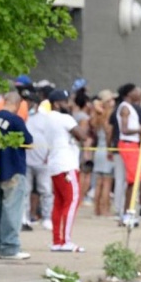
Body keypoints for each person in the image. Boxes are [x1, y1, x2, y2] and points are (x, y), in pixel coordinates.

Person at [0, 92, 33, 260]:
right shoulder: (15, 120)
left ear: (4, 101)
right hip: (12, 169)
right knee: (11, 209)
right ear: (18, 104)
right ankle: (10, 247)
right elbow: (28, 140)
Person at [46, 89, 89, 252]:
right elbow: (82, 136)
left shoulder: (48, 118)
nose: (68, 105)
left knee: (58, 203)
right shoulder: (64, 118)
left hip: (55, 164)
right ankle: (66, 241)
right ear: (57, 104)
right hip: (67, 164)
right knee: (71, 201)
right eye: (65, 102)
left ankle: (57, 240)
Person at [115, 83, 141, 224]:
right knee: (134, 180)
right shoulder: (125, 108)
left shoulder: (131, 107)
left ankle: (129, 212)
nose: (139, 92)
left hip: (133, 144)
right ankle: (127, 213)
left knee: (137, 180)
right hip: (128, 144)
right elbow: (124, 129)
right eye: (135, 90)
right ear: (128, 94)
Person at [24, 87, 54, 230]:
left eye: (30, 102)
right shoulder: (24, 118)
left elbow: (51, 139)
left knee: (46, 190)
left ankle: (47, 218)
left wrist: (49, 156)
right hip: (26, 161)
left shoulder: (45, 119)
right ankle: (25, 217)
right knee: (25, 191)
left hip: (43, 161)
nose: (28, 104)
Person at [91, 89, 116, 217]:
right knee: (107, 181)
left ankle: (97, 209)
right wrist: (109, 149)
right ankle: (105, 209)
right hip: (106, 150)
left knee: (99, 181)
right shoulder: (109, 116)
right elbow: (108, 133)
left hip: (98, 150)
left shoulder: (98, 116)